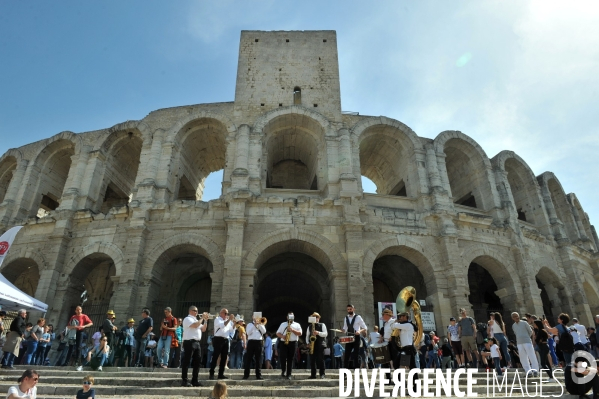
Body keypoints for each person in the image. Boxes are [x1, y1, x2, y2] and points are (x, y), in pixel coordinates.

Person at [181, 306, 208, 387]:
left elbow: (203, 329)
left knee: (198, 362)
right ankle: (184, 380)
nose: (196, 312)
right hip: (189, 342)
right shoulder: (187, 319)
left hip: (197, 342)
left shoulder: (197, 320)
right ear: (190, 311)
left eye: (197, 311)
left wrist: (205, 320)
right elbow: (195, 325)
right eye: (194, 311)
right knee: (187, 361)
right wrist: (202, 318)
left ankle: (194, 380)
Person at [209, 308, 236, 380]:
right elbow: (222, 325)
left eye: (227, 313)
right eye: (225, 313)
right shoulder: (217, 319)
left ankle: (221, 374)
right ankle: (211, 373)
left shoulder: (228, 321)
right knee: (215, 356)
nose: (227, 315)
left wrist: (234, 324)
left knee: (224, 357)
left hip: (226, 340)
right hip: (218, 339)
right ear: (221, 313)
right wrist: (229, 319)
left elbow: (231, 329)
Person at [65, 306, 94, 371]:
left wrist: (84, 326)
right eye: (77, 310)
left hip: (80, 332)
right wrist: (73, 326)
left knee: (79, 347)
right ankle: (66, 362)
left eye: (80, 309)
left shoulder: (84, 316)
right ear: (75, 311)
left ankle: (77, 362)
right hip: (73, 332)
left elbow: (91, 323)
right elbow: (68, 326)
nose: (79, 311)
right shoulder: (73, 317)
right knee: (71, 347)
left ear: (81, 310)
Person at [276, 311, 303, 380]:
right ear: (287, 317)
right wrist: (282, 336)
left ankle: (289, 374)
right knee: (283, 357)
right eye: (289, 316)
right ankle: (283, 371)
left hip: (293, 343)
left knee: (291, 358)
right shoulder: (283, 324)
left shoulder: (297, 324)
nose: (291, 318)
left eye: (292, 316)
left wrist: (292, 330)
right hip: (283, 342)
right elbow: (277, 333)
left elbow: (300, 333)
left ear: (294, 317)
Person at [511, 312, 539, 376]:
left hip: (527, 341)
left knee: (531, 356)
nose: (517, 317)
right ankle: (528, 371)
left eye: (517, 316)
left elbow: (530, 331)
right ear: (512, 318)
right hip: (519, 343)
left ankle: (535, 370)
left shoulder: (524, 323)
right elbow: (516, 333)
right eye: (515, 316)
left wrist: (526, 337)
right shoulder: (513, 326)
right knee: (523, 358)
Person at [342, 304, 367, 370]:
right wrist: (343, 330)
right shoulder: (346, 318)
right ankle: (345, 372)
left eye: (350, 309)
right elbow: (345, 329)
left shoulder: (358, 317)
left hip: (356, 337)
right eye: (348, 309)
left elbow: (365, 327)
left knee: (356, 355)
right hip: (349, 337)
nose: (349, 310)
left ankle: (357, 371)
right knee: (347, 355)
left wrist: (359, 331)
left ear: (353, 309)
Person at [243, 314, 267, 380]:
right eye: (254, 316)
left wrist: (259, 324)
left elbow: (264, 331)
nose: (256, 318)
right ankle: (246, 375)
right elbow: (248, 333)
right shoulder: (249, 325)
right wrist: (254, 325)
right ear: (252, 317)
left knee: (258, 359)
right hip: (251, 342)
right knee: (248, 359)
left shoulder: (261, 324)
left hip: (259, 342)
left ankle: (258, 375)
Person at [305, 312, 327, 379]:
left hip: (320, 344)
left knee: (321, 360)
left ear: (319, 318)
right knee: (312, 360)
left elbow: (325, 334)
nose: (316, 318)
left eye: (317, 317)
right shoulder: (309, 327)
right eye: (314, 317)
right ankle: (313, 374)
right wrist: (308, 343)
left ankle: (322, 374)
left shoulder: (322, 325)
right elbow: (307, 336)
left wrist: (318, 333)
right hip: (312, 345)